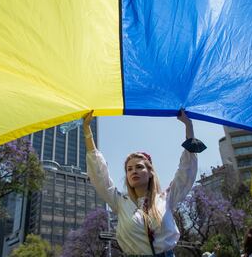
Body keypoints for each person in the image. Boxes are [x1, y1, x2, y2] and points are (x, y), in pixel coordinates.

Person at [83, 109, 206, 256]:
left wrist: (188, 126)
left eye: (139, 167)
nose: (133, 171)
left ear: (150, 172)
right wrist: (87, 130)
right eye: (129, 169)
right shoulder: (120, 202)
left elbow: (186, 172)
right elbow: (100, 176)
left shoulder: (166, 198)